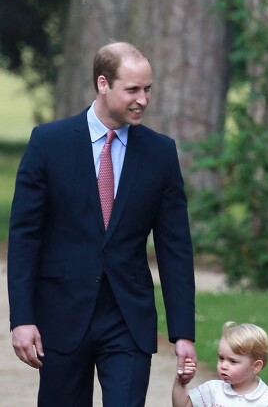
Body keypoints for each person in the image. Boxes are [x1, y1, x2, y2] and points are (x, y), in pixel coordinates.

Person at [8, 42, 197, 407]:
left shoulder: (160, 152)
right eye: (133, 90)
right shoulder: (49, 143)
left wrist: (183, 333)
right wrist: (22, 319)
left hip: (128, 318)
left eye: (148, 89)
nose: (143, 99)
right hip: (61, 316)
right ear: (103, 84)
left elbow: (175, 247)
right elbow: (24, 238)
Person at [172, 321, 268, 407]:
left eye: (233, 361)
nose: (224, 366)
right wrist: (180, 382)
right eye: (221, 358)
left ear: (256, 366)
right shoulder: (212, 390)